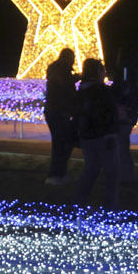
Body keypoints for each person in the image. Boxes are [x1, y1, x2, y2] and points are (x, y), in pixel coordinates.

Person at [71, 57, 121, 208]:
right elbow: (109, 114)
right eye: (103, 70)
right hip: (104, 136)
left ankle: (79, 203)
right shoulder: (102, 91)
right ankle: (110, 208)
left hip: (87, 136)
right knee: (112, 175)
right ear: (98, 71)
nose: (105, 73)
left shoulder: (81, 90)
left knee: (90, 171)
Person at [43, 49, 78, 184]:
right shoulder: (61, 69)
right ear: (67, 57)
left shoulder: (55, 68)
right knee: (62, 144)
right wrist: (77, 78)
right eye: (72, 57)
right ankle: (56, 174)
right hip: (58, 112)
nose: (74, 60)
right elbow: (64, 82)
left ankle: (58, 173)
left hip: (55, 111)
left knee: (62, 143)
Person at [112, 58, 138, 184]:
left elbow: (120, 94)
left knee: (121, 148)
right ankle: (126, 175)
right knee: (123, 147)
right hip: (127, 117)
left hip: (123, 118)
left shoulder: (124, 79)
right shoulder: (131, 80)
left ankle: (126, 176)